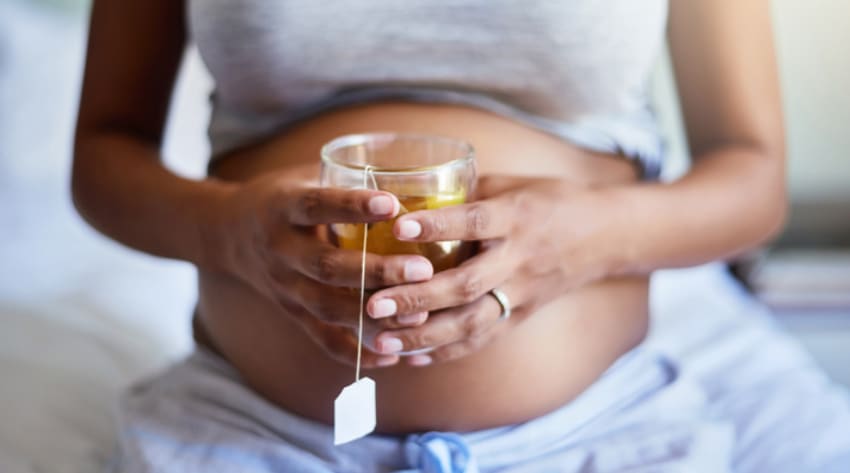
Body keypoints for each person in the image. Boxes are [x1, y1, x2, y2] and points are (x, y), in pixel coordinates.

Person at [72, 1, 850, 471]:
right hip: (249, 431)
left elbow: (751, 178)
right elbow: (104, 153)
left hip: (599, 430)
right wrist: (233, 233)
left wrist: (581, 236)